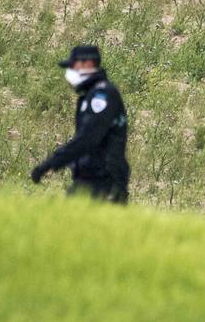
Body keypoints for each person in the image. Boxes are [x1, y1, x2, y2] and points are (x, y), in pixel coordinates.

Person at [30, 44, 130, 203]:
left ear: (88, 64)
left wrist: (51, 163)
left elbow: (88, 138)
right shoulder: (91, 94)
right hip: (90, 176)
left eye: (73, 66)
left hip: (104, 180)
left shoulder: (103, 95)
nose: (70, 72)